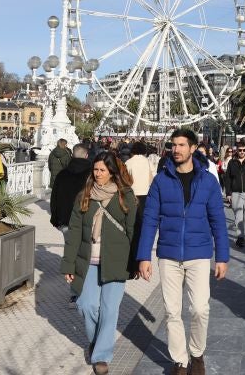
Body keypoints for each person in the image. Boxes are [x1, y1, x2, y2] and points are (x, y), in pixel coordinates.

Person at [136, 128, 229, 375]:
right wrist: (144, 256)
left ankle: (197, 354)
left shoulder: (208, 181)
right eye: (173, 145)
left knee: (200, 309)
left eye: (181, 145)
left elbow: (218, 221)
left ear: (192, 148)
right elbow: (149, 220)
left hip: (199, 254)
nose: (175, 150)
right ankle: (180, 360)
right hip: (168, 255)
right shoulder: (161, 180)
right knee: (171, 311)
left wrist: (222, 257)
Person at [60, 151, 137, 375]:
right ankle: (96, 342)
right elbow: (74, 233)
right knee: (86, 305)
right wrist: (68, 265)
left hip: (116, 261)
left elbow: (133, 231)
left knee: (109, 309)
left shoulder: (124, 195)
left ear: (112, 172)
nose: (98, 173)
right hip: (88, 262)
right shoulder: (84, 195)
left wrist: (136, 262)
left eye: (102, 170)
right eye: (95, 169)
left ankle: (101, 356)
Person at [50, 143, 92, 238]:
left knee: (69, 245)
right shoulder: (92, 174)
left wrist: (55, 219)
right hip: (86, 219)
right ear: (86, 156)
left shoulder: (62, 174)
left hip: (65, 219)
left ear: (72, 155)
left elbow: (54, 199)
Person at [125, 140, 154, 277]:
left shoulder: (129, 162)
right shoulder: (148, 162)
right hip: (146, 198)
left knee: (132, 229)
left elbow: (125, 181)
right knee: (142, 230)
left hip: (132, 197)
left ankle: (131, 266)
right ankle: (140, 263)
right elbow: (152, 179)